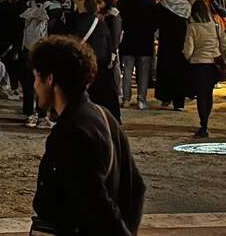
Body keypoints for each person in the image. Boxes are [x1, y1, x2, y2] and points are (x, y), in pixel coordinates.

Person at [30, 36, 145, 235]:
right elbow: (137, 188)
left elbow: (97, 205)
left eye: (36, 77)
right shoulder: (104, 116)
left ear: (50, 79)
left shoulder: (70, 133)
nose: (35, 86)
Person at [74, 0, 121, 122]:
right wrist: (112, 57)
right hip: (101, 61)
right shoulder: (100, 23)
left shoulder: (79, 21)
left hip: (86, 60)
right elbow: (109, 41)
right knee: (106, 91)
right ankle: (110, 116)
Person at [117, 0, 156, 110]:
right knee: (143, 71)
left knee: (127, 70)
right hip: (145, 38)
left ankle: (126, 99)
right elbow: (154, 14)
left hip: (129, 37)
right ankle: (141, 99)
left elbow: (119, 11)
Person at [183, 0, 220, 137]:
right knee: (208, 94)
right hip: (212, 63)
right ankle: (206, 121)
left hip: (198, 64)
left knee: (201, 96)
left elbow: (189, 49)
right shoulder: (213, 25)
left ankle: (203, 124)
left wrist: (187, 57)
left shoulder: (192, 27)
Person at [20, 0, 52, 128]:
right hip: (43, 48)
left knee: (28, 82)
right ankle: (42, 115)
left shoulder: (28, 5)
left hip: (28, 47)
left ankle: (29, 113)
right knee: (42, 82)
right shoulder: (52, 6)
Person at [154, 0, 190, 111]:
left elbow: (156, 23)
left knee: (165, 70)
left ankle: (165, 98)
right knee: (179, 72)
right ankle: (179, 102)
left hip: (166, 42)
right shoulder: (185, 5)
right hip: (181, 42)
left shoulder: (162, 5)